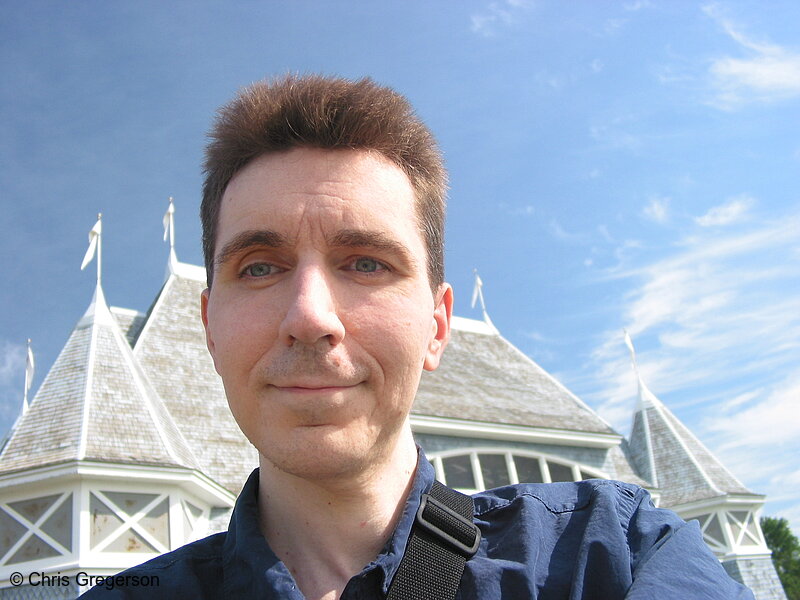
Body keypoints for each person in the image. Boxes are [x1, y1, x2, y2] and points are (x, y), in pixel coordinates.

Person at [81, 74, 754, 599]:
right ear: (209, 328)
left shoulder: (612, 555)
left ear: (437, 326)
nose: (311, 316)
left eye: (366, 263)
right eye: (259, 267)